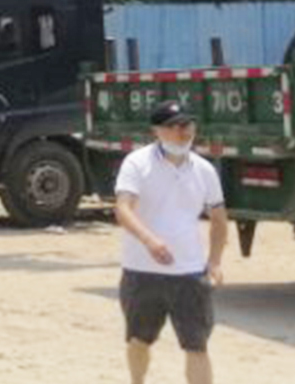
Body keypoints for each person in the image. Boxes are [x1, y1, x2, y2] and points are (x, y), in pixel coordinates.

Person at [114, 99, 228, 384]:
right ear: (157, 131)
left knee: (197, 346)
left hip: (189, 272)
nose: (182, 131)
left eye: (187, 124)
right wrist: (149, 240)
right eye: (173, 126)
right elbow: (123, 209)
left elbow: (219, 219)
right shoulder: (137, 163)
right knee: (139, 340)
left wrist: (214, 262)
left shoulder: (204, 170)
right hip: (142, 270)